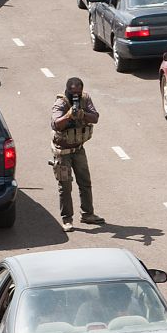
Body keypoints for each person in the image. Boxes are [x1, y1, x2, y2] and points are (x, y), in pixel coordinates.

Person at [51, 77, 105, 232]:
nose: (76, 96)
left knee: (85, 182)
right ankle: (67, 219)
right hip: (63, 152)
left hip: (78, 149)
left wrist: (82, 114)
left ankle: (88, 214)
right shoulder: (60, 103)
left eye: (78, 93)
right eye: (73, 93)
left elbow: (95, 117)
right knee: (65, 186)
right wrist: (69, 115)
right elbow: (55, 123)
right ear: (67, 90)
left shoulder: (85, 99)